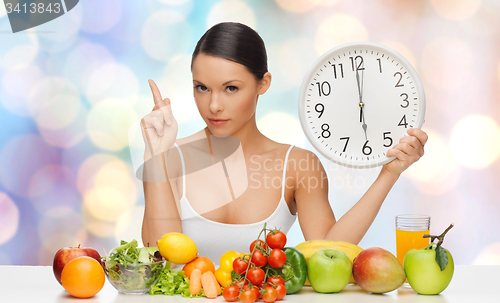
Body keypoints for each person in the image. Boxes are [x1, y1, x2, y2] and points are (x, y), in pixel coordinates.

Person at [139, 22, 428, 264]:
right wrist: (156, 158)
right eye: (202, 87)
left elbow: (327, 251)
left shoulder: (298, 166)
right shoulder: (171, 159)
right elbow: (158, 259)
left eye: (231, 88)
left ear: (263, 84)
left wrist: (389, 173)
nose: (214, 105)